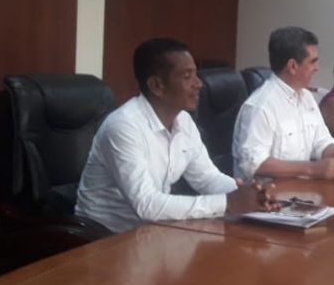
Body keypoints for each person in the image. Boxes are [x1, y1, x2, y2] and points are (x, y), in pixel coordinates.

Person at [76, 38, 276, 233]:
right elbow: (146, 204)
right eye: (187, 76)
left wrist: (249, 192)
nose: (199, 84)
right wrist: (228, 202)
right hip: (104, 236)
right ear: (157, 85)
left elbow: (206, 178)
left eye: (196, 74)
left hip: (152, 230)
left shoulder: (184, 121)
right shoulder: (124, 127)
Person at [233, 27, 334, 181]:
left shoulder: (307, 97)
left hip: (303, 190)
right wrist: (313, 169)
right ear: (292, 66)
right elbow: (253, 163)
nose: (317, 68)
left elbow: (322, 144)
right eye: (312, 62)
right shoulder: (260, 106)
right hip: (267, 194)